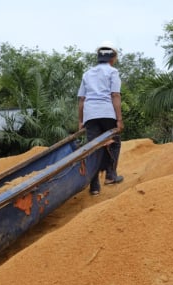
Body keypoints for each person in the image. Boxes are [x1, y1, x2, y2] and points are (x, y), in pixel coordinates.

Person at [77, 40, 125, 196]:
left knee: (93, 148)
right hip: (107, 113)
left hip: (90, 115)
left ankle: (94, 185)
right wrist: (119, 119)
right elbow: (115, 95)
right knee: (114, 144)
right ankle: (111, 175)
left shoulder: (87, 74)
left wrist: (80, 121)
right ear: (113, 58)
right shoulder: (113, 72)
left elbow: (82, 100)